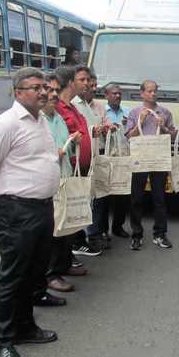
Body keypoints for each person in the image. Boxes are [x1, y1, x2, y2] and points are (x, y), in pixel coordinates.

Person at [0, 68, 60, 357]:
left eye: (45, 87)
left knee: (33, 274)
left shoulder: (40, 121)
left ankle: (24, 327)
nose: (43, 92)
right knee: (12, 277)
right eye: (36, 87)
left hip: (42, 208)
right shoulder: (5, 124)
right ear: (18, 92)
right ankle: (0, 344)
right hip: (17, 211)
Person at [40, 73, 89, 297]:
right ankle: (51, 274)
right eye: (48, 90)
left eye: (55, 91)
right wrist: (57, 153)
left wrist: (72, 142)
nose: (52, 95)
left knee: (66, 225)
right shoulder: (38, 120)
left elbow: (64, 146)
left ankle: (64, 264)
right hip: (49, 183)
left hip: (65, 176)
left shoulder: (57, 118)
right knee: (54, 230)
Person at [54, 66, 101, 259]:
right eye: (81, 80)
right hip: (69, 169)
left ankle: (70, 253)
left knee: (77, 208)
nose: (87, 83)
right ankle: (67, 253)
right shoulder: (59, 108)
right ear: (70, 83)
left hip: (81, 168)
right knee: (66, 211)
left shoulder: (73, 106)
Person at [125, 80, 176, 250]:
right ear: (142, 94)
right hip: (140, 160)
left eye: (155, 91)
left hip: (158, 160)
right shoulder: (134, 112)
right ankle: (136, 234)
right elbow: (129, 137)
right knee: (136, 198)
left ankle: (160, 234)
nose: (153, 94)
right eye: (149, 91)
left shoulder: (165, 112)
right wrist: (140, 121)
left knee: (160, 198)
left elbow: (173, 136)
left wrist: (163, 128)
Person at [72, 70, 115, 249]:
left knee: (100, 197)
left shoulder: (99, 106)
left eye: (90, 81)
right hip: (82, 158)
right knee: (82, 198)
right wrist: (91, 132)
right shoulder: (73, 105)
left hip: (100, 154)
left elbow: (104, 123)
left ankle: (95, 234)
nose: (89, 85)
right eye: (83, 80)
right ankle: (80, 238)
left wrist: (107, 127)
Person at [104, 83, 131, 238]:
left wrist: (129, 124)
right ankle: (102, 230)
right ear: (107, 95)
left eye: (119, 94)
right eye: (114, 93)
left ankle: (118, 227)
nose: (117, 96)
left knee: (122, 193)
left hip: (124, 156)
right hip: (108, 156)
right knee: (105, 194)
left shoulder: (128, 112)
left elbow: (134, 130)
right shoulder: (102, 112)